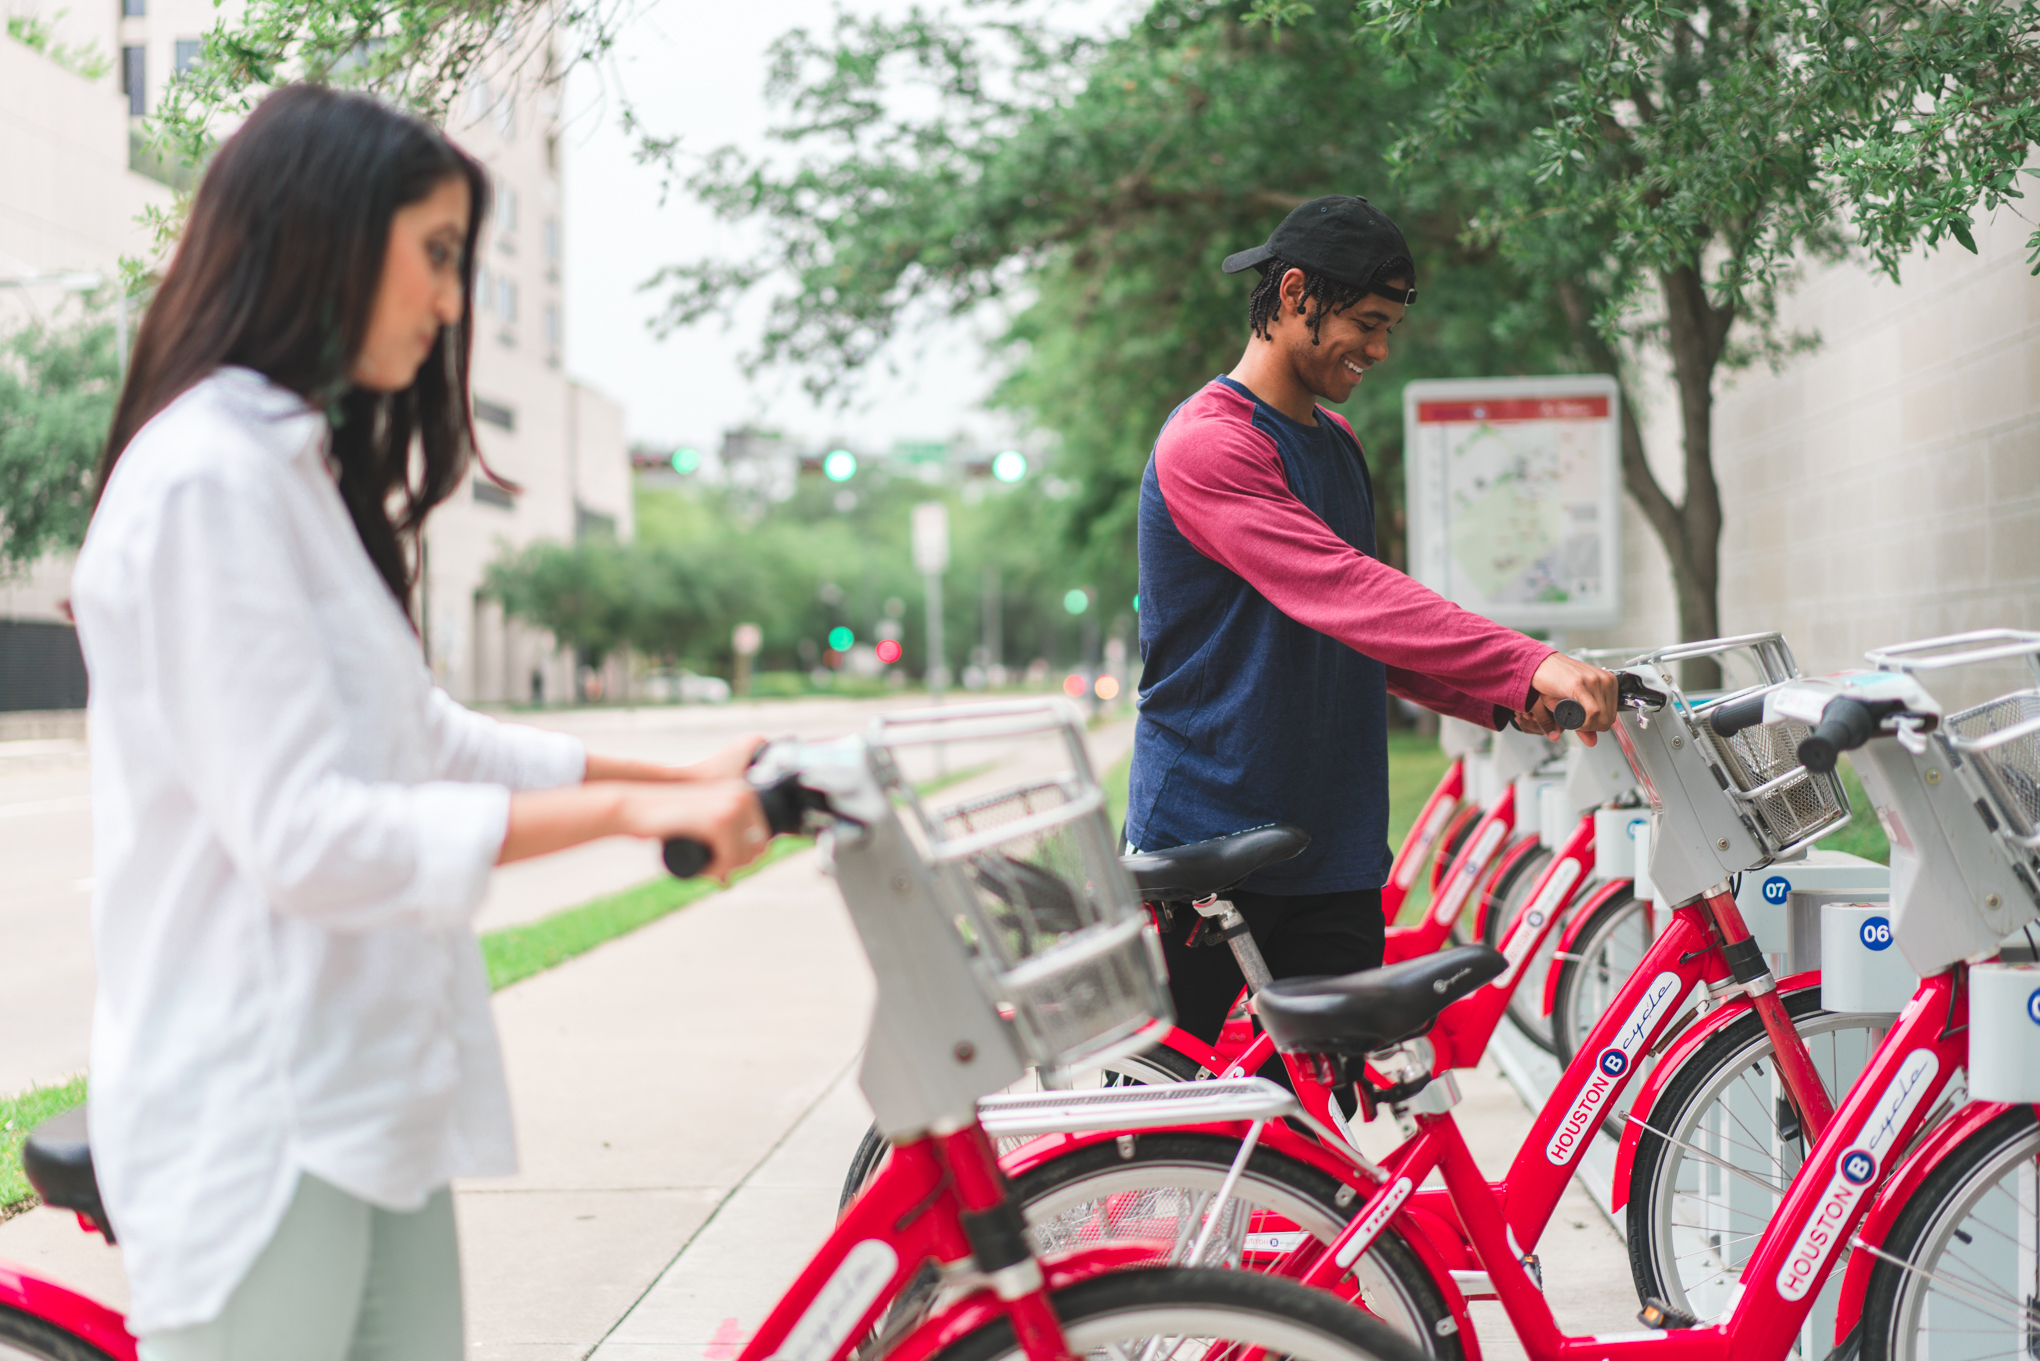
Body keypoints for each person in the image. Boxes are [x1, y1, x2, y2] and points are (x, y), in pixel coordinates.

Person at [71, 85, 771, 1361]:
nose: (453, 302)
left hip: (365, 1098)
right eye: (438, 255)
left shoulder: (295, 469)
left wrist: (667, 774)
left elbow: (426, 741)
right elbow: (305, 834)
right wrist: (627, 810)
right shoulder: (206, 479)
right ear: (325, 232)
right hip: (253, 1121)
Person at [1128, 194, 1619, 1046]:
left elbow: (1360, 631)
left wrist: (1505, 697)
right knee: (1161, 1127)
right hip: (1209, 840)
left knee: (1318, 1137)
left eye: (1390, 325)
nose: (1380, 349)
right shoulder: (1211, 445)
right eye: (1365, 321)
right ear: (1291, 295)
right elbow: (1343, 589)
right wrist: (1522, 659)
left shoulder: (1338, 443)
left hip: (1331, 843)